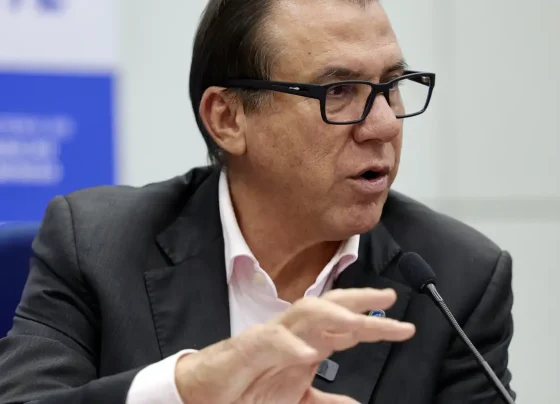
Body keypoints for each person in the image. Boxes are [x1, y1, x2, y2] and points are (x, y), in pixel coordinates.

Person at [0, 0, 515, 403]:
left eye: (391, 85)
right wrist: (188, 387)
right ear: (228, 118)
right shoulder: (97, 245)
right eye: (339, 91)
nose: (383, 125)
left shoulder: (456, 280)